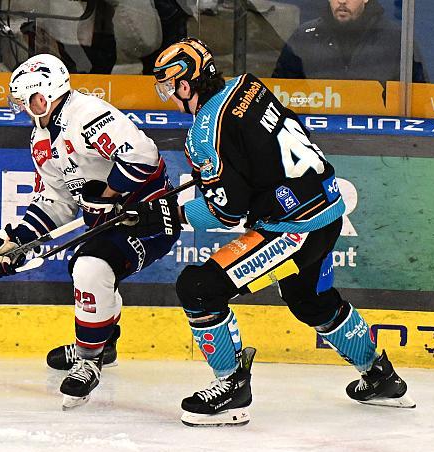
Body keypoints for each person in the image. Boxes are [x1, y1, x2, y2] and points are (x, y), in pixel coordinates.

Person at [128, 37, 415, 426]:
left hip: (294, 227)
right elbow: (258, 158)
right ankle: (381, 378)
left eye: (168, 86)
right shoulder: (248, 86)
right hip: (328, 210)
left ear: (185, 84)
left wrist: (166, 213)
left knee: (199, 287)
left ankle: (232, 386)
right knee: (308, 299)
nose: (168, 95)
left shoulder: (203, 132)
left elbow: (226, 212)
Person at [0, 53, 180, 409]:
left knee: (90, 267)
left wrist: (107, 195)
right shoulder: (40, 138)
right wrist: (18, 240)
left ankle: (89, 358)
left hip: (148, 214)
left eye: (29, 100)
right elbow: (56, 200)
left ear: (47, 95)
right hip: (109, 221)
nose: (25, 108)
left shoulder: (87, 115)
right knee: (86, 267)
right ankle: (105, 340)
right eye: (22, 102)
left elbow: (144, 157)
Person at [272, 0, 428, 83]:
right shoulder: (303, 38)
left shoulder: (396, 40)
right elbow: (280, 94)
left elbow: (420, 99)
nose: (342, 1)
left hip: (380, 139)